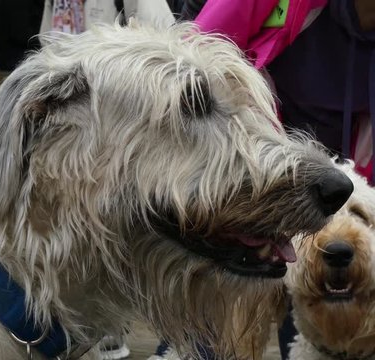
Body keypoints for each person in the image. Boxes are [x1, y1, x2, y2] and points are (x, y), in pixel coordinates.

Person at [150, 1, 375, 359]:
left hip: (334, 185)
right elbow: (188, 69)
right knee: (211, 326)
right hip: (243, 174)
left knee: (308, 317)